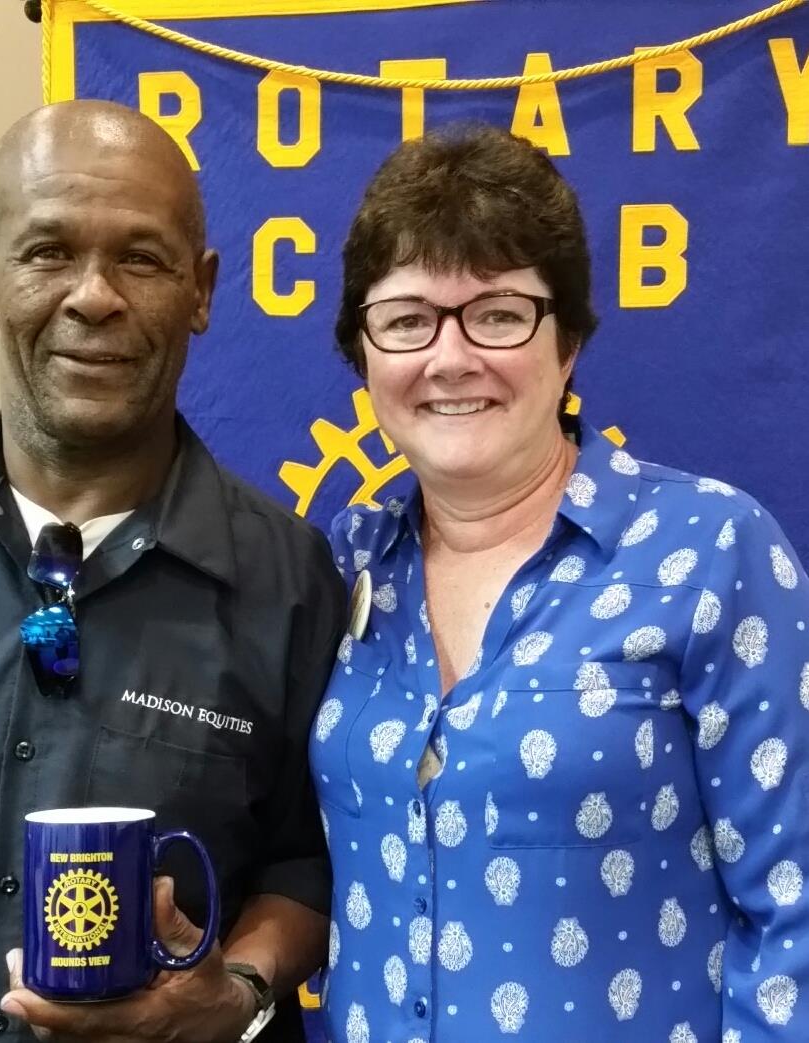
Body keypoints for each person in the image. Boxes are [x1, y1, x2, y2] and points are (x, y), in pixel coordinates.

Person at [0, 100, 345, 1043]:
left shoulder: (291, 581)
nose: (94, 296)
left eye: (141, 258)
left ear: (201, 290)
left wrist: (240, 989)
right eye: (48, 251)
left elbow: (310, 864)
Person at [309, 125, 809, 1042]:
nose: (449, 357)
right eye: (408, 319)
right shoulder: (342, 565)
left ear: (568, 337)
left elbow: (798, 913)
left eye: (499, 314)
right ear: (363, 351)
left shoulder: (710, 550)